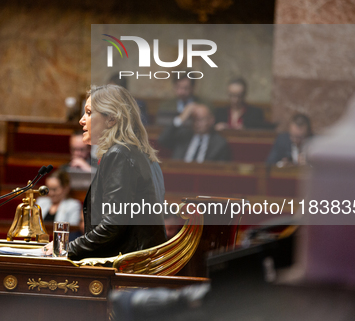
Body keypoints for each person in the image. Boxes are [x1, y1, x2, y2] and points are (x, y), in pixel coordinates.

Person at [46, 85, 167, 259]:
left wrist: (66, 248)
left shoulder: (119, 155)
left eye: (88, 113)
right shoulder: (143, 154)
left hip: (126, 268)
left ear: (111, 119)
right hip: (140, 261)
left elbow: (112, 225)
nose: (81, 120)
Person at [158, 104, 231, 163]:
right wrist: (181, 118)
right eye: (194, 120)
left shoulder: (219, 143)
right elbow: (162, 140)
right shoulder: (183, 136)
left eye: (201, 119)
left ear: (211, 120)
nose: (197, 123)